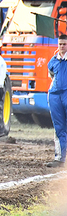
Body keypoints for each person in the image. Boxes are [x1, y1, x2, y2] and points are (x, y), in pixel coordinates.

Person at [47, 34, 67, 167]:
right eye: (60, 44)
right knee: (59, 127)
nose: (61, 46)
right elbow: (51, 75)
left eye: (64, 44)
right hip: (55, 95)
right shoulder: (53, 61)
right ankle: (60, 158)